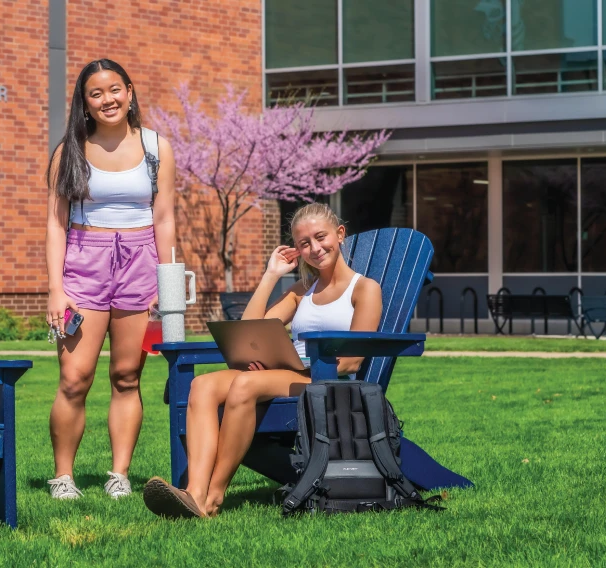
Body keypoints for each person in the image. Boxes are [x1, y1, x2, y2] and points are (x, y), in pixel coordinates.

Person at [141, 203, 383, 518]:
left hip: (325, 379)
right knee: (202, 385)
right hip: (284, 373)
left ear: (339, 234)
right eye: (304, 243)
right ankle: (194, 492)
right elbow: (250, 328)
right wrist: (271, 276)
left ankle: (212, 498)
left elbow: (351, 362)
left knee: (244, 383)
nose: (314, 248)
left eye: (320, 237)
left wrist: (287, 369)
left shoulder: (364, 289)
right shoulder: (302, 291)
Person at [43, 59, 178, 500]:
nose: (108, 100)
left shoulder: (158, 147)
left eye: (114, 90)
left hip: (140, 264)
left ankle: (119, 474)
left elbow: (164, 217)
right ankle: (63, 477)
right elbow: (56, 223)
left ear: (130, 91)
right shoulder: (70, 150)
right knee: (74, 377)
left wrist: (166, 280)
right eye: (96, 94)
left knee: (126, 375)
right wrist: (55, 288)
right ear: (84, 103)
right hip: (84, 263)